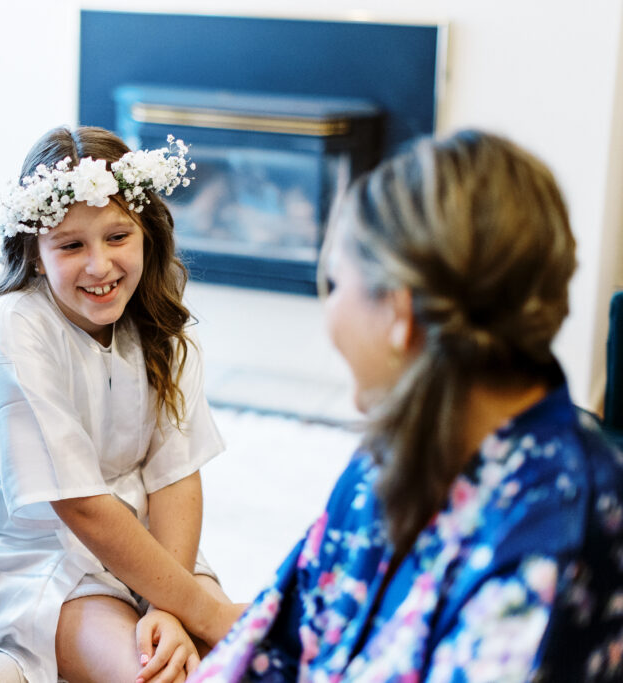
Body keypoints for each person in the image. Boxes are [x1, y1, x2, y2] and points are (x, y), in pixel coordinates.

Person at [190, 129, 623, 682]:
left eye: (336, 282)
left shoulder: (559, 540)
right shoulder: (387, 460)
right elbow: (271, 650)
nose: (330, 313)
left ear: (397, 313)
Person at [0, 126, 244, 683]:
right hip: (33, 557)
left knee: (249, 665)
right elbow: (80, 506)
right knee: (163, 675)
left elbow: (175, 475)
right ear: (37, 256)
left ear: (145, 233)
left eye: (118, 237)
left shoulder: (159, 323)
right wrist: (209, 612)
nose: (100, 267)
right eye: (71, 245)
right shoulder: (12, 328)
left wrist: (170, 604)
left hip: (148, 548)